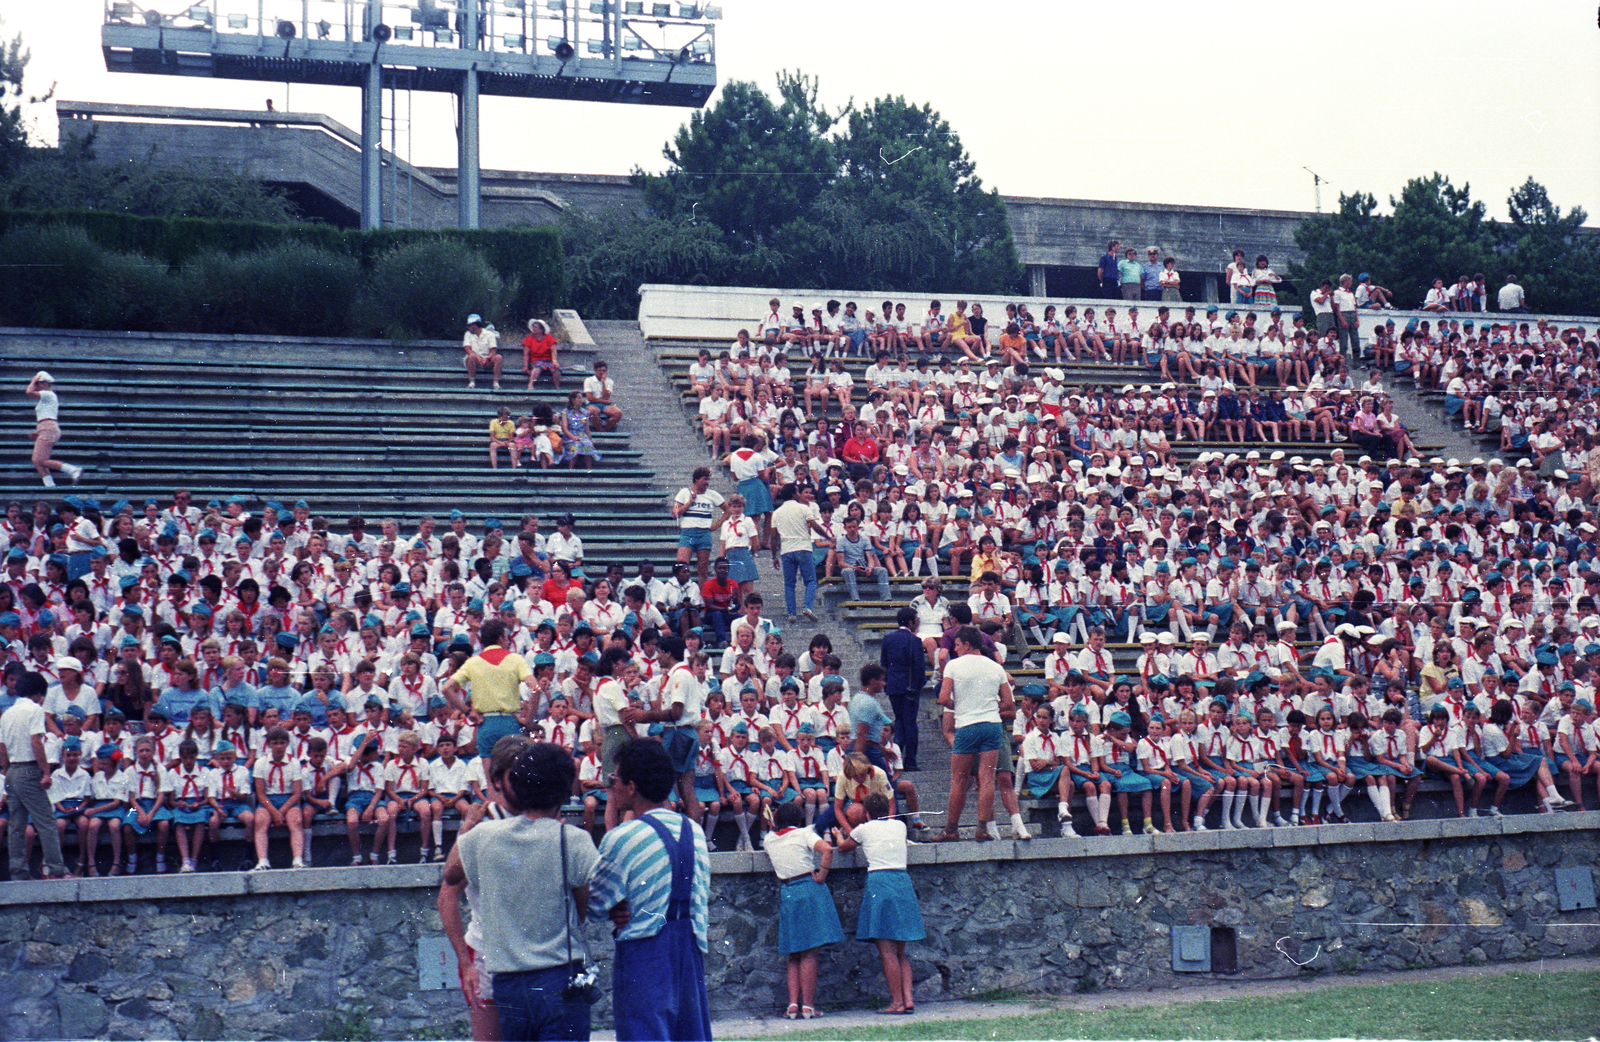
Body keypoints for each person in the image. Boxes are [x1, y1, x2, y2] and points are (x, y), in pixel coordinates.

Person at [447, 742, 600, 1042]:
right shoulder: (574, 839)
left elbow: (451, 874)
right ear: (565, 789)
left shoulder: (485, 836)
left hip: (509, 980)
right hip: (561, 972)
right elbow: (584, 908)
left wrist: (468, 827)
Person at [587, 740, 712, 1042]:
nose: (611, 787)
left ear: (631, 786)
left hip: (645, 954)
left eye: (613, 780)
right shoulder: (693, 830)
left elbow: (593, 905)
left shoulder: (623, 837)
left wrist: (617, 907)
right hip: (690, 953)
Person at [832, 792, 923, 1015]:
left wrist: (837, 836)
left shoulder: (864, 828)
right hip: (902, 881)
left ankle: (897, 1002)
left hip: (880, 883)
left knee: (887, 952)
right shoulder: (899, 826)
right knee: (901, 951)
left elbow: (844, 847)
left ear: (867, 812)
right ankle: (908, 999)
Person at [934, 626, 1014, 842]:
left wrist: (960, 706)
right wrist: (986, 708)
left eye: (958, 645)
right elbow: (1008, 702)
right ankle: (982, 828)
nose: (956, 649)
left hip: (967, 725)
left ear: (967, 644)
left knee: (959, 779)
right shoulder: (995, 667)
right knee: (988, 779)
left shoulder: (954, 665)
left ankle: (951, 830)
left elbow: (943, 699)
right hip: (991, 725)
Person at [764, 801, 841, 1021]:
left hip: (788, 890)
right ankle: (807, 1006)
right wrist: (822, 874)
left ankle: (792, 1005)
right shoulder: (803, 834)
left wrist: (771, 823)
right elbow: (826, 849)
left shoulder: (770, 840)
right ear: (798, 820)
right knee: (810, 953)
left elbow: (771, 832)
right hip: (808, 886)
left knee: (794, 953)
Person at [1, 671, 74, 879]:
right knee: (46, 821)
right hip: (28, 768)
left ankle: (18, 870)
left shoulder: (7, 714)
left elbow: (2, 746)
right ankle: (57, 868)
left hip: (12, 770)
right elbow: (36, 742)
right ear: (39, 693)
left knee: (16, 824)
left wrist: (6, 770)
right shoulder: (35, 710)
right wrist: (45, 771)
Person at [443, 619, 535, 755]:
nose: (509, 641)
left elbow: (446, 688)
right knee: (511, 772)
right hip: (510, 722)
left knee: (489, 773)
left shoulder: (473, 662)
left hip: (485, 723)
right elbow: (536, 688)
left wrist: (468, 712)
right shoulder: (516, 659)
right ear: (500, 639)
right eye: (507, 638)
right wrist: (529, 719)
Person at [879, 607, 927, 772]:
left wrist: (887, 683)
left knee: (899, 721)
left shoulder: (888, 639)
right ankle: (911, 760)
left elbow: (883, 664)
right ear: (910, 622)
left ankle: (897, 758)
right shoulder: (915, 641)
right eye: (916, 619)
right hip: (910, 687)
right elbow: (919, 667)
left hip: (893, 686)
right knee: (910, 723)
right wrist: (919, 685)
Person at [771, 484, 827, 623]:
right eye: (797, 491)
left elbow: (773, 537)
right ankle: (807, 606)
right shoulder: (803, 508)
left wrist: (774, 556)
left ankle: (791, 613)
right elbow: (815, 526)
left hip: (786, 550)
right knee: (811, 581)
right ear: (793, 494)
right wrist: (828, 536)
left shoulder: (777, 513)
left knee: (789, 584)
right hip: (803, 548)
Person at [25, 372, 82, 489]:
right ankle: (49, 484)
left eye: (38, 383)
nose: (36, 386)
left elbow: (28, 392)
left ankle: (72, 470)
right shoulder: (46, 398)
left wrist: (33, 380)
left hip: (48, 428)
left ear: (45, 384)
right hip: (46, 428)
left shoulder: (49, 394)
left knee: (40, 460)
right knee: (37, 460)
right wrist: (38, 432)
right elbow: (46, 417)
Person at [672, 467, 726, 584]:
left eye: (708, 480)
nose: (707, 482)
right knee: (681, 566)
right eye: (705, 479)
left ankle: (703, 598)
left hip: (704, 533)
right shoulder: (685, 492)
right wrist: (689, 503)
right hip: (688, 532)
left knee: (703, 569)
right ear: (696, 479)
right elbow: (674, 514)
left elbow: (728, 510)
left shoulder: (712, 494)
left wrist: (717, 525)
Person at [463, 314, 503, 391]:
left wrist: (487, 358)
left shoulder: (489, 334)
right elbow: (467, 349)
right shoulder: (467, 334)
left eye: (470, 325)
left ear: (475, 325)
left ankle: (496, 383)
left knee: (499, 357)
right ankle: (472, 382)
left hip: (487, 359)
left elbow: (493, 350)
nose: (468, 327)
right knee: (471, 357)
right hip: (474, 359)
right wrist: (477, 358)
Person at [523, 319, 562, 391]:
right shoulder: (529, 338)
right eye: (533, 327)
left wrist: (554, 361)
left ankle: (557, 387)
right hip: (535, 360)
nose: (534, 329)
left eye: (536, 327)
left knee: (556, 369)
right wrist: (525, 366)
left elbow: (553, 351)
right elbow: (526, 354)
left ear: (541, 330)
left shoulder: (549, 338)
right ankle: (530, 384)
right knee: (538, 367)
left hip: (548, 361)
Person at [582, 361, 621, 433]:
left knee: (618, 413)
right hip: (592, 403)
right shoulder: (588, 380)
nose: (602, 373)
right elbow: (590, 398)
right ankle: (600, 430)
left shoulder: (609, 381)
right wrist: (604, 401)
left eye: (604, 371)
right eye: (600, 370)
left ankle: (606, 430)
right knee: (592, 412)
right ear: (595, 370)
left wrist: (603, 383)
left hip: (604, 404)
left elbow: (606, 397)